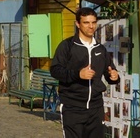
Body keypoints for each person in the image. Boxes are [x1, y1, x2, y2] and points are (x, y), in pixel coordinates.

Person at [50, 7, 120, 138]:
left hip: (96, 108)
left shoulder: (100, 49)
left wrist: (114, 77)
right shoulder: (67, 46)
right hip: (72, 107)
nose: (91, 26)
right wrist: (78, 74)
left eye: (93, 22)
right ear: (78, 24)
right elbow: (55, 70)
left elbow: (110, 72)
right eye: (86, 23)